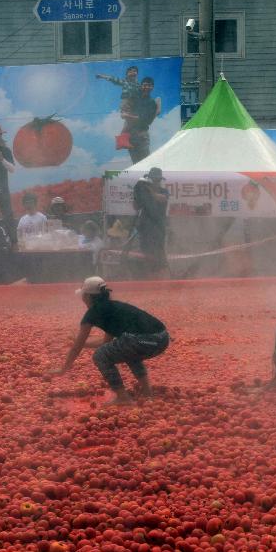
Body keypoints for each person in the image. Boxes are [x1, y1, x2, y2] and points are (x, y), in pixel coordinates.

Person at [50, 276, 170, 406]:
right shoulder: (113, 308)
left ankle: (122, 397)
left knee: (100, 355)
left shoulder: (93, 312)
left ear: (88, 297)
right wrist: (81, 344)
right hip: (162, 339)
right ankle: (147, 393)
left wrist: (64, 368)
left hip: (145, 340)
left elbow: (78, 347)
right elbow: (106, 343)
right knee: (127, 349)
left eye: (83, 295)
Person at [133, 167, 169, 277]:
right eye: (154, 179)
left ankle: (160, 277)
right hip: (145, 228)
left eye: (158, 180)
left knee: (158, 253)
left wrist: (150, 191)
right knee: (146, 253)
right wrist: (137, 195)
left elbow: (162, 198)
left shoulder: (164, 191)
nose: (156, 182)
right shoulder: (144, 192)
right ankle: (148, 277)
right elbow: (136, 207)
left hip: (158, 227)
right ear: (150, 179)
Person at [124, 77, 160, 164]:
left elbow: (146, 120)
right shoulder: (134, 98)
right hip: (130, 135)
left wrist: (128, 116)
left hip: (142, 135)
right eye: (144, 85)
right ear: (141, 86)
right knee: (135, 163)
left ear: (152, 87)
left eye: (149, 85)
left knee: (145, 163)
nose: (146, 87)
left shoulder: (152, 103)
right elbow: (125, 110)